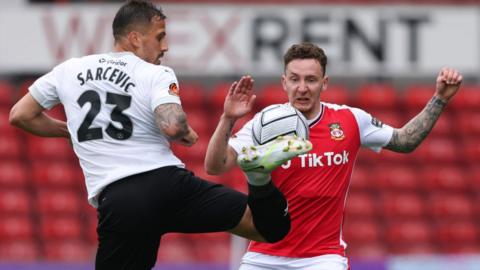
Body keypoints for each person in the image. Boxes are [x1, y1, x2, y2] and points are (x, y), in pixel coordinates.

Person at [8, 1, 314, 269]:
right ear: (134, 38)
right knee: (266, 227)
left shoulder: (68, 70)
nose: (165, 47)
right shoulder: (155, 73)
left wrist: (71, 132)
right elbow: (172, 126)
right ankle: (259, 180)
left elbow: (20, 115)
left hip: (121, 198)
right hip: (169, 185)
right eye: (160, 37)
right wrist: (188, 134)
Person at [204, 42, 463, 270]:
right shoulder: (266, 123)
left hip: (322, 258)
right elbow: (215, 166)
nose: (302, 88)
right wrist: (228, 118)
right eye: (294, 79)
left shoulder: (350, 120)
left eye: (311, 80)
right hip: (265, 254)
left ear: (324, 83)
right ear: (284, 82)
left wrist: (439, 99)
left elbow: (404, 141)